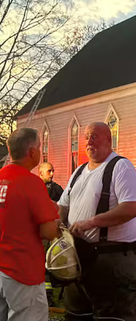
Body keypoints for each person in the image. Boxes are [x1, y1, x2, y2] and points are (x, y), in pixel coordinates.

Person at [0, 128, 59, 321]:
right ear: (32, 151)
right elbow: (48, 232)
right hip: (21, 269)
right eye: (39, 146)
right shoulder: (32, 182)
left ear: (9, 149)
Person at [58, 122, 136, 320]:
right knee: (76, 315)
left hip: (111, 260)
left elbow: (130, 208)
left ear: (109, 139)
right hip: (78, 259)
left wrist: (91, 222)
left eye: (94, 136)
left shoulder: (121, 166)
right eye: (86, 137)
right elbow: (63, 206)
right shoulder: (79, 171)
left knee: (112, 317)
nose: (88, 142)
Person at [39, 161, 64, 306]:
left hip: (54, 232)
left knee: (53, 260)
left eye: (53, 170)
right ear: (40, 173)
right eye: (49, 171)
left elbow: (64, 206)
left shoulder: (57, 189)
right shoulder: (34, 188)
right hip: (40, 233)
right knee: (42, 262)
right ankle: (46, 295)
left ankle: (54, 290)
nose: (52, 174)